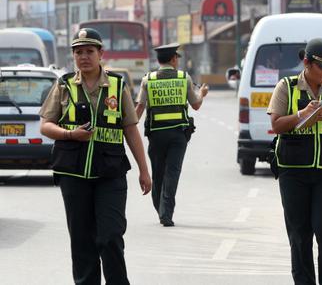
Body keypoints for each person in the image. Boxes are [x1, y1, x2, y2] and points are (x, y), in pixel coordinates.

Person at [39, 27, 152, 285]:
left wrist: (144, 171)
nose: (84, 57)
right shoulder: (64, 85)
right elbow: (45, 125)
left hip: (110, 174)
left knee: (110, 236)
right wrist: (70, 135)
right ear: (73, 56)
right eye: (78, 52)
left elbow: (130, 129)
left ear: (101, 54)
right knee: (81, 241)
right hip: (73, 175)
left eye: (89, 51)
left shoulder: (116, 85)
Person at [267, 38, 322, 285]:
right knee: (299, 234)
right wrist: (303, 114)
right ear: (307, 63)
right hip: (293, 172)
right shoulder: (286, 86)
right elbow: (276, 124)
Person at [135, 43, 209, 227]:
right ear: (174, 59)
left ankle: (160, 208)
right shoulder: (184, 78)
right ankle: (166, 213)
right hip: (178, 135)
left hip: (156, 135)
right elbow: (196, 104)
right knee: (172, 173)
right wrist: (202, 93)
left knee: (158, 172)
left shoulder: (148, 80)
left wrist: (127, 126)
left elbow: (139, 109)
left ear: (159, 60)